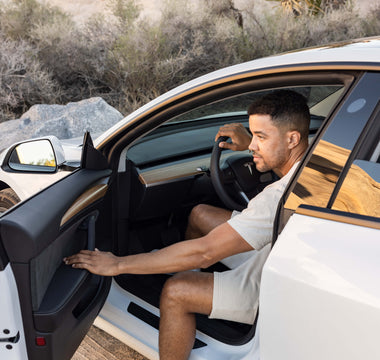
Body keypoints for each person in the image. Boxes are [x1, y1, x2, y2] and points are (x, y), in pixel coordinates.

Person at [64, 90, 310, 360]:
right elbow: (280, 157)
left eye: (261, 137)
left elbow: (203, 252)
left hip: (274, 283)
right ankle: (188, 277)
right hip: (283, 247)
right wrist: (255, 144)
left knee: (175, 291)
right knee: (200, 214)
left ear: (292, 138)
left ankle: (182, 296)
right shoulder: (320, 156)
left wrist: (118, 264)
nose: (252, 146)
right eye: (254, 135)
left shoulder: (279, 197)